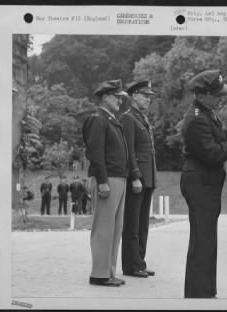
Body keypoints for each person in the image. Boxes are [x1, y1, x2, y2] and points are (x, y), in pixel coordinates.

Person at [180, 69, 227, 298]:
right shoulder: (197, 118)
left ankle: (206, 290)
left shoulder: (207, 113)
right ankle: (197, 293)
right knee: (202, 239)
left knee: (207, 238)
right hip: (199, 182)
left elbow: (215, 137)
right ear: (203, 94)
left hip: (206, 182)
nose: (220, 98)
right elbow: (211, 153)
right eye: (216, 95)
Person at [82, 79, 129, 287]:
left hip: (118, 178)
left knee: (115, 228)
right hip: (107, 178)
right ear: (105, 97)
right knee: (104, 227)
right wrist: (101, 181)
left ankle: (109, 271)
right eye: (116, 96)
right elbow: (95, 153)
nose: (120, 100)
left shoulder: (110, 119)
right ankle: (99, 273)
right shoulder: (97, 119)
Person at [120, 80, 157, 278]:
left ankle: (139, 262)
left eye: (150, 97)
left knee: (143, 224)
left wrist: (151, 178)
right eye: (145, 96)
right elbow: (129, 150)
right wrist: (134, 176)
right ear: (134, 96)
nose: (148, 99)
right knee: (132, 223)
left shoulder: (141, 118)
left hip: (147, 178)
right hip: (138, 179)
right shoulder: (128, 118)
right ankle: (131, 265)